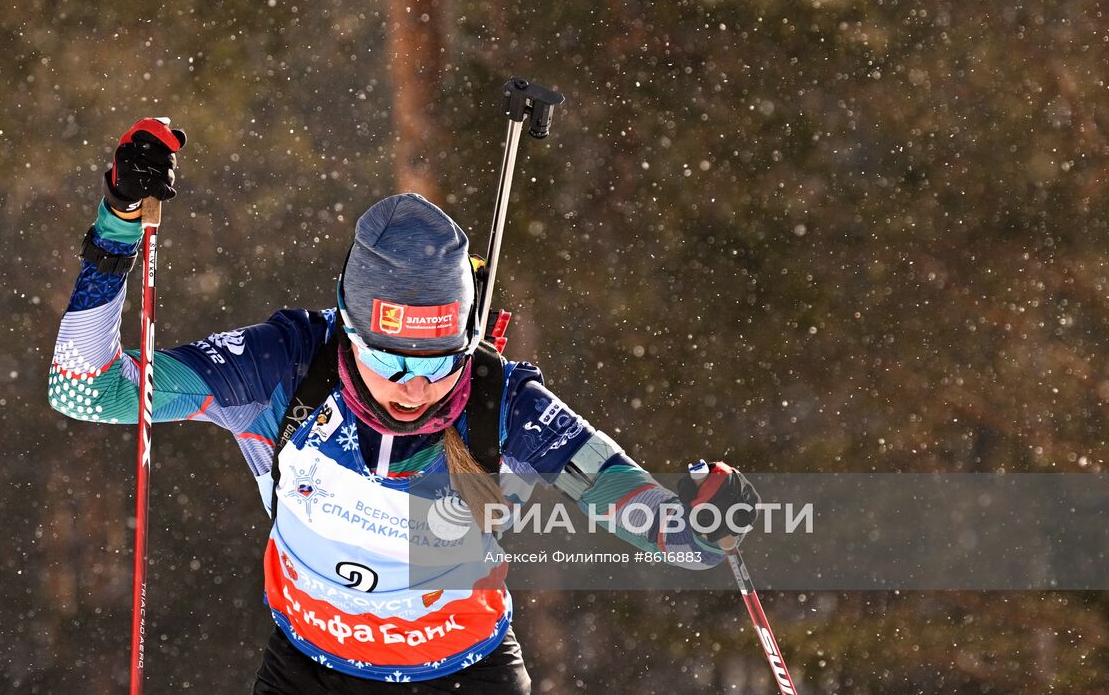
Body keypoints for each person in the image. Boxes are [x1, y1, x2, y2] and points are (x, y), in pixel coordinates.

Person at [49, 119, 760, 693]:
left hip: (466, 678)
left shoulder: (502, 403)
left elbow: (642, 513)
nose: (415, 387)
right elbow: (85, 390)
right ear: (347, 327)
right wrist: (117, 227)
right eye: (389, 359)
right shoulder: (286, 366)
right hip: (309, 674)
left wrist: (706, 525)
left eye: (439, 361)